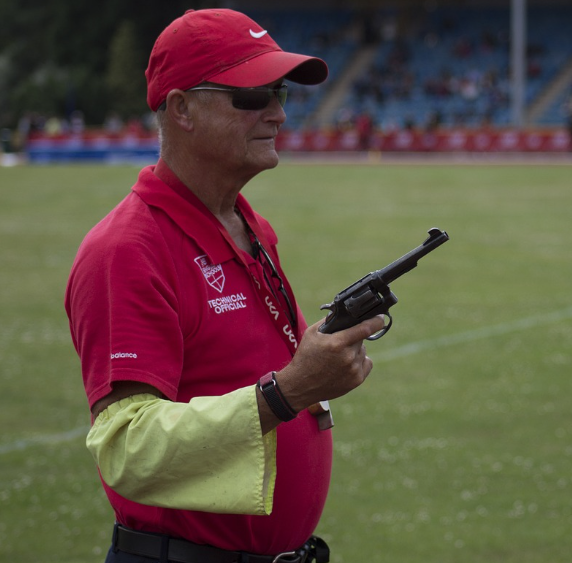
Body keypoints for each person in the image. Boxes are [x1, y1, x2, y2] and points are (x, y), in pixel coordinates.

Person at [64, 9, 385, 563]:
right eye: (252, 97)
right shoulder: (126, 249)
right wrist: (288, 392)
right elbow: (127, 448)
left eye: (280, 93)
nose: (278, 113)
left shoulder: (248, 224)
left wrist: (317, 363)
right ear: (182, 109)